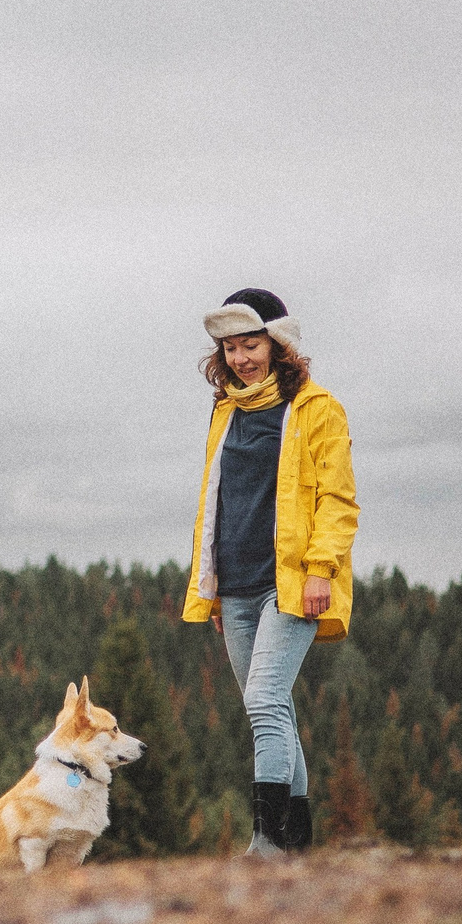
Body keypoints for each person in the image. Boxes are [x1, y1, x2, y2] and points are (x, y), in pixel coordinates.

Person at [179, 288, 359, 855]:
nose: (240, 359)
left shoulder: (317, 409)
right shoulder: (225, 411)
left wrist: (320, 571)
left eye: (250, 344)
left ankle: (267, 842)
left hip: (292, 583)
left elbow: (337, 499)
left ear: (278, 344)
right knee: (272, 708)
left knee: (263, 703)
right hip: (234, 585)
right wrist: (209, 588)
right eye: (230, 348)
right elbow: (218, 501)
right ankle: (297, 844)